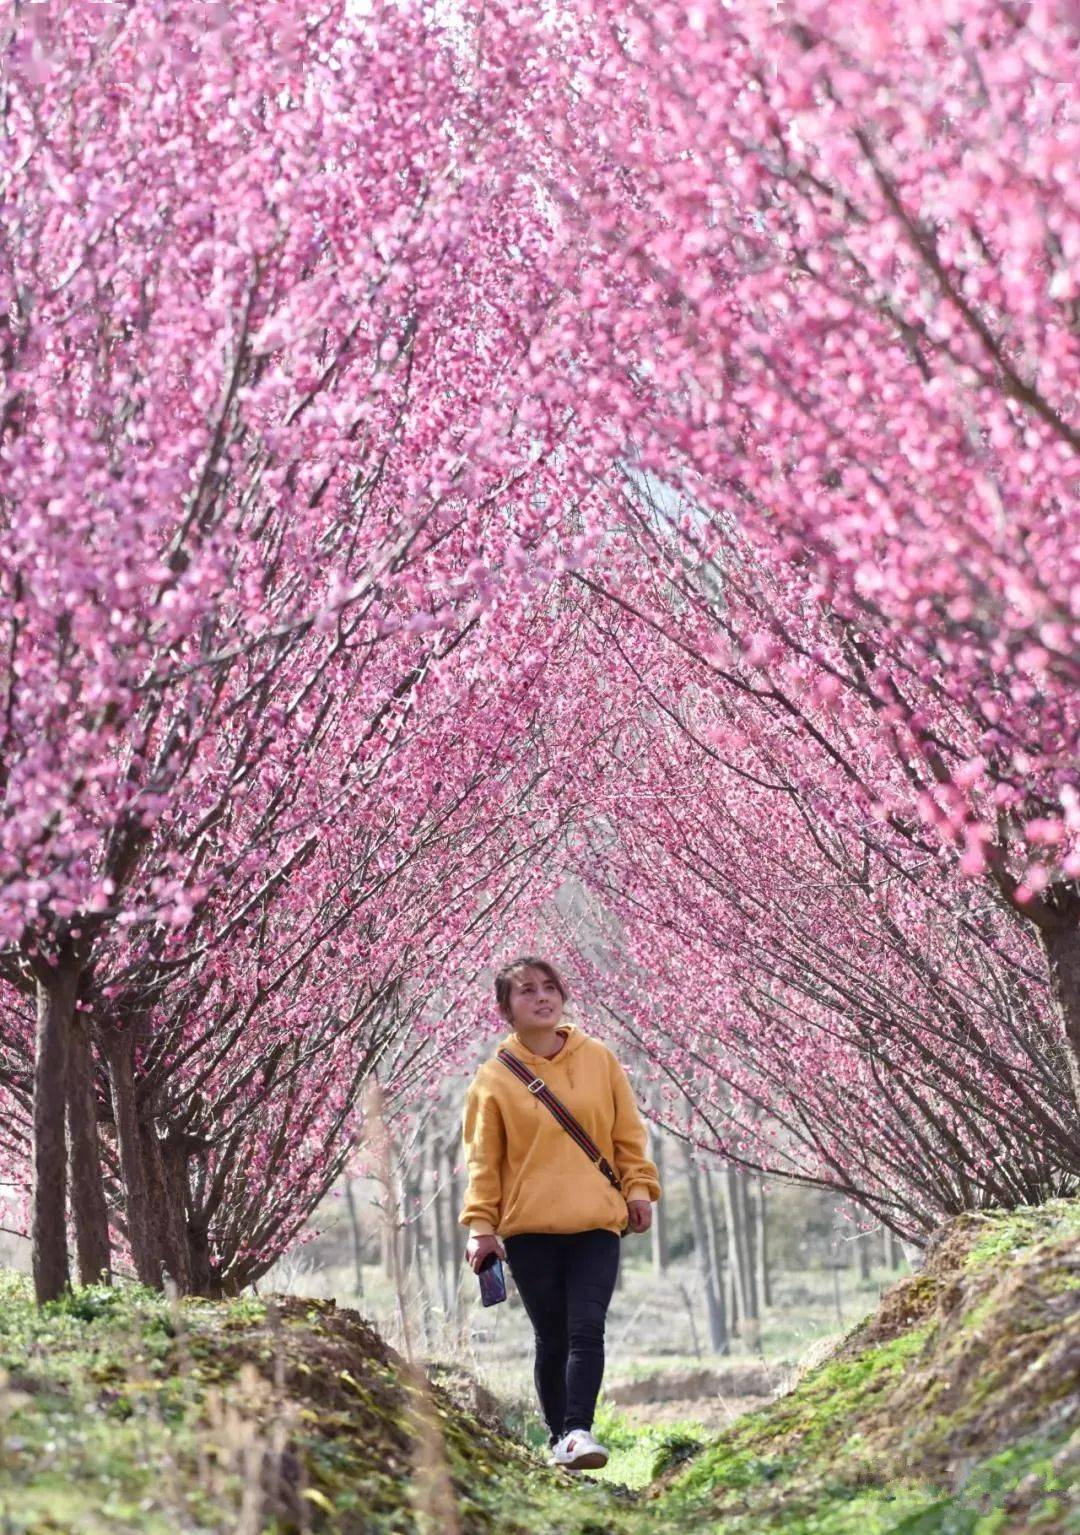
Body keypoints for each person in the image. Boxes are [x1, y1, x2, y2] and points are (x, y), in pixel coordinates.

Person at [458, 955, 662, 1471]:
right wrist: (481, 1228)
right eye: (527, 991)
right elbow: (482, 1163)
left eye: (550, 987)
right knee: (551, 1335)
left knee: (586, 1328)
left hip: (596, 1221)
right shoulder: (493, 1079)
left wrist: (639, 1189)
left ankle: (577, 1431)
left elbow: (627, 1136)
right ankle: (558, 1438)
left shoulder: (599, 1059)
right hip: (530, 1230)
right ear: (506, 1008)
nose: (542, 997)